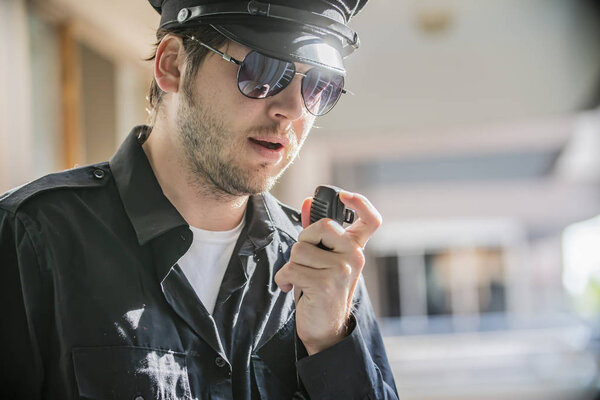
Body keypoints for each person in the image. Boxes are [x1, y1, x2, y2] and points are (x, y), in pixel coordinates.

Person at [0, 0, 398, 399]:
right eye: (262, 72)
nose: (292, 110)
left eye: (318, 86)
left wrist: (331, 343)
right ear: (172, 65)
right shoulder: (32, 236)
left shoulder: (322, 264)